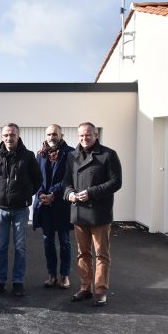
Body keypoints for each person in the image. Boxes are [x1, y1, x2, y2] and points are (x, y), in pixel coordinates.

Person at [63, 122, 122, 307]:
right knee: (83, 253)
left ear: (96, 135)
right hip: (79, 212)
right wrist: (69, 193)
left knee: (101, 254)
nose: (84, 138)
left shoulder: (108, 154)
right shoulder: (72, 156)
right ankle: (85, 287)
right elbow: (65, 181)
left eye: (88, 135)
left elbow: (116, 182)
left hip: (99, 213)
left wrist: (91, 192)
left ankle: (100, 291)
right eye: (81, 136)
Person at [0, 123, 41, 297]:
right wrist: (3, 196)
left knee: (20, 247)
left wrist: (24, 195)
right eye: (5, 135)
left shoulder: (28, 156)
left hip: (20, 210)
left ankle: (18, 282)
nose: (9, 138)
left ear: (18, 136)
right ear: (2, 137)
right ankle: (0, 281)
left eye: (12, 135)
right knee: (1, 247)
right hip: (1, 210)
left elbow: (37, 180)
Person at [33, 124, 74, 290]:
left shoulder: (70, 153)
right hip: (45, 205)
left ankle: (64, 276)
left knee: (64, 241)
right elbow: (36, 177)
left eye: (55, 134)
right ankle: (51, 275)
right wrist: (41, 194)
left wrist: (53, 195)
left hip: (62, 204)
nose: (51, 137)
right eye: (49, 134)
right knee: (48, 241)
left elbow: (69, 178)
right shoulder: (40, 154)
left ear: (61, 135)